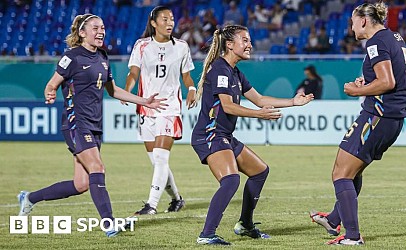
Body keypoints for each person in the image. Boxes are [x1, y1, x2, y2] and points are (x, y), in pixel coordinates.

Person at [17, 13, 166, 237]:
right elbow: (52, 84)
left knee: (81, 184)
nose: (101, 31)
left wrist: (144, 100)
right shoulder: (72, 56)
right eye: (95, 28)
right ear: (82, 33)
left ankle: (29, 198)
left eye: (103, 27)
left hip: (95, 125)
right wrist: (49, 93)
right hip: (76, 123)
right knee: (98, 167)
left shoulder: (103, 57)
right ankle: (109, 223)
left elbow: (113, 90)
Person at [191, 24, 314, 245]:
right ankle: (207, 234)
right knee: (230, 181)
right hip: (210, 135)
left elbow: (260, 99)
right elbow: (227, 106)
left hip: (224, 135)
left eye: (249, 40)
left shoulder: (235, 72)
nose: (250, 45)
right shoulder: (219, 69)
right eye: (245, 40)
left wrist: (293, 102)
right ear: (229, 45)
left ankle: (245, 225)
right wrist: (260, 115)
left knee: (259, 171)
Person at [309, 2, 406, 245]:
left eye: (353, 21)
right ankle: (334, 220)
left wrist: (358, 91)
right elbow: (392, 75)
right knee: (352, 170)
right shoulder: (394, 37)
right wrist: (367, 81)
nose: (351, 26)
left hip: (378, 116)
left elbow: (387, 82)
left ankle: (353, 236)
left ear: (364, 21)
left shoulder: (376, 42)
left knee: (340, 173)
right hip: (390, 118)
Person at [122, 6, 196, 216]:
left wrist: (191, 89)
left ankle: (151, 205)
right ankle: (177, 199)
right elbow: (133, 72)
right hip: (146, 108)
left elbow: (187, 76)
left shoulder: (181, 46)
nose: (170, 22)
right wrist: (127, 89)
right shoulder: (142, 45)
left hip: (169, 108)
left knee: (162, 159)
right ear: (153, 23)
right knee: (157, 161)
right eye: (165, 19)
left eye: (172, 19)